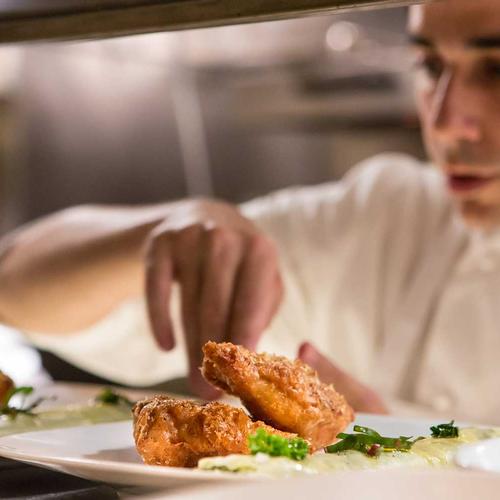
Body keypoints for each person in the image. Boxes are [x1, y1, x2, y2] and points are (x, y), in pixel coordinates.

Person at [0, 0, 499, 422]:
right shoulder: (387, 216)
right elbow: (14, 287)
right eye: (431, 66)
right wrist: (162, 231)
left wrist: (417, 459)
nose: (446, 122)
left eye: (496, 69)